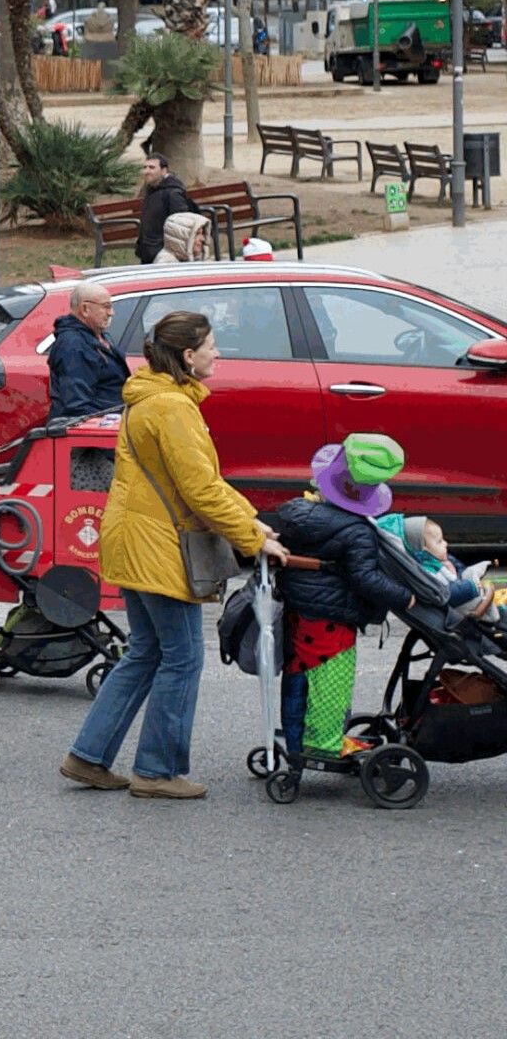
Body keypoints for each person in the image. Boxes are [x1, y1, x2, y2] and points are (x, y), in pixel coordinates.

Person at [63, 311, 284, 800]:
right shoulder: (173, 408)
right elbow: (200, 489)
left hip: (132, 538)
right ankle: (158, 770)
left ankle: (89, 755)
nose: (218, 353)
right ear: (188, 355)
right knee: (181, 657)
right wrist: (251, 537)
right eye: (212, 346)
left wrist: (251, 521)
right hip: (158, 546)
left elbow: (191, 484)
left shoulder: (147, 398)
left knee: (145, 652)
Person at [267, 437, 462, 765]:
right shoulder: (357, 532)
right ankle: (325, 743)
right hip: (333, 616)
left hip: (300, 611)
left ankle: (297, 736)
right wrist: (405, 597)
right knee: (332, 678)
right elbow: (365, 579)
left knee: (299, 672)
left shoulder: (300, 513)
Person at [47, 282, 130, 420]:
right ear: (85, 309)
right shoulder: (73, 345)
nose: (111, 313)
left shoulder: (99, 336)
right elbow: (77, 406)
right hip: (93, 431)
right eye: (106, 307)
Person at [133, 151, 194, 266]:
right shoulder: (152, 190)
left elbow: (181, 224)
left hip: (164, 255)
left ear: (163, 171)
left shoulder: (173, 193)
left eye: (152, 168)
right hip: (148, 252)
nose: (146, 171)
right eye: (145, 167)